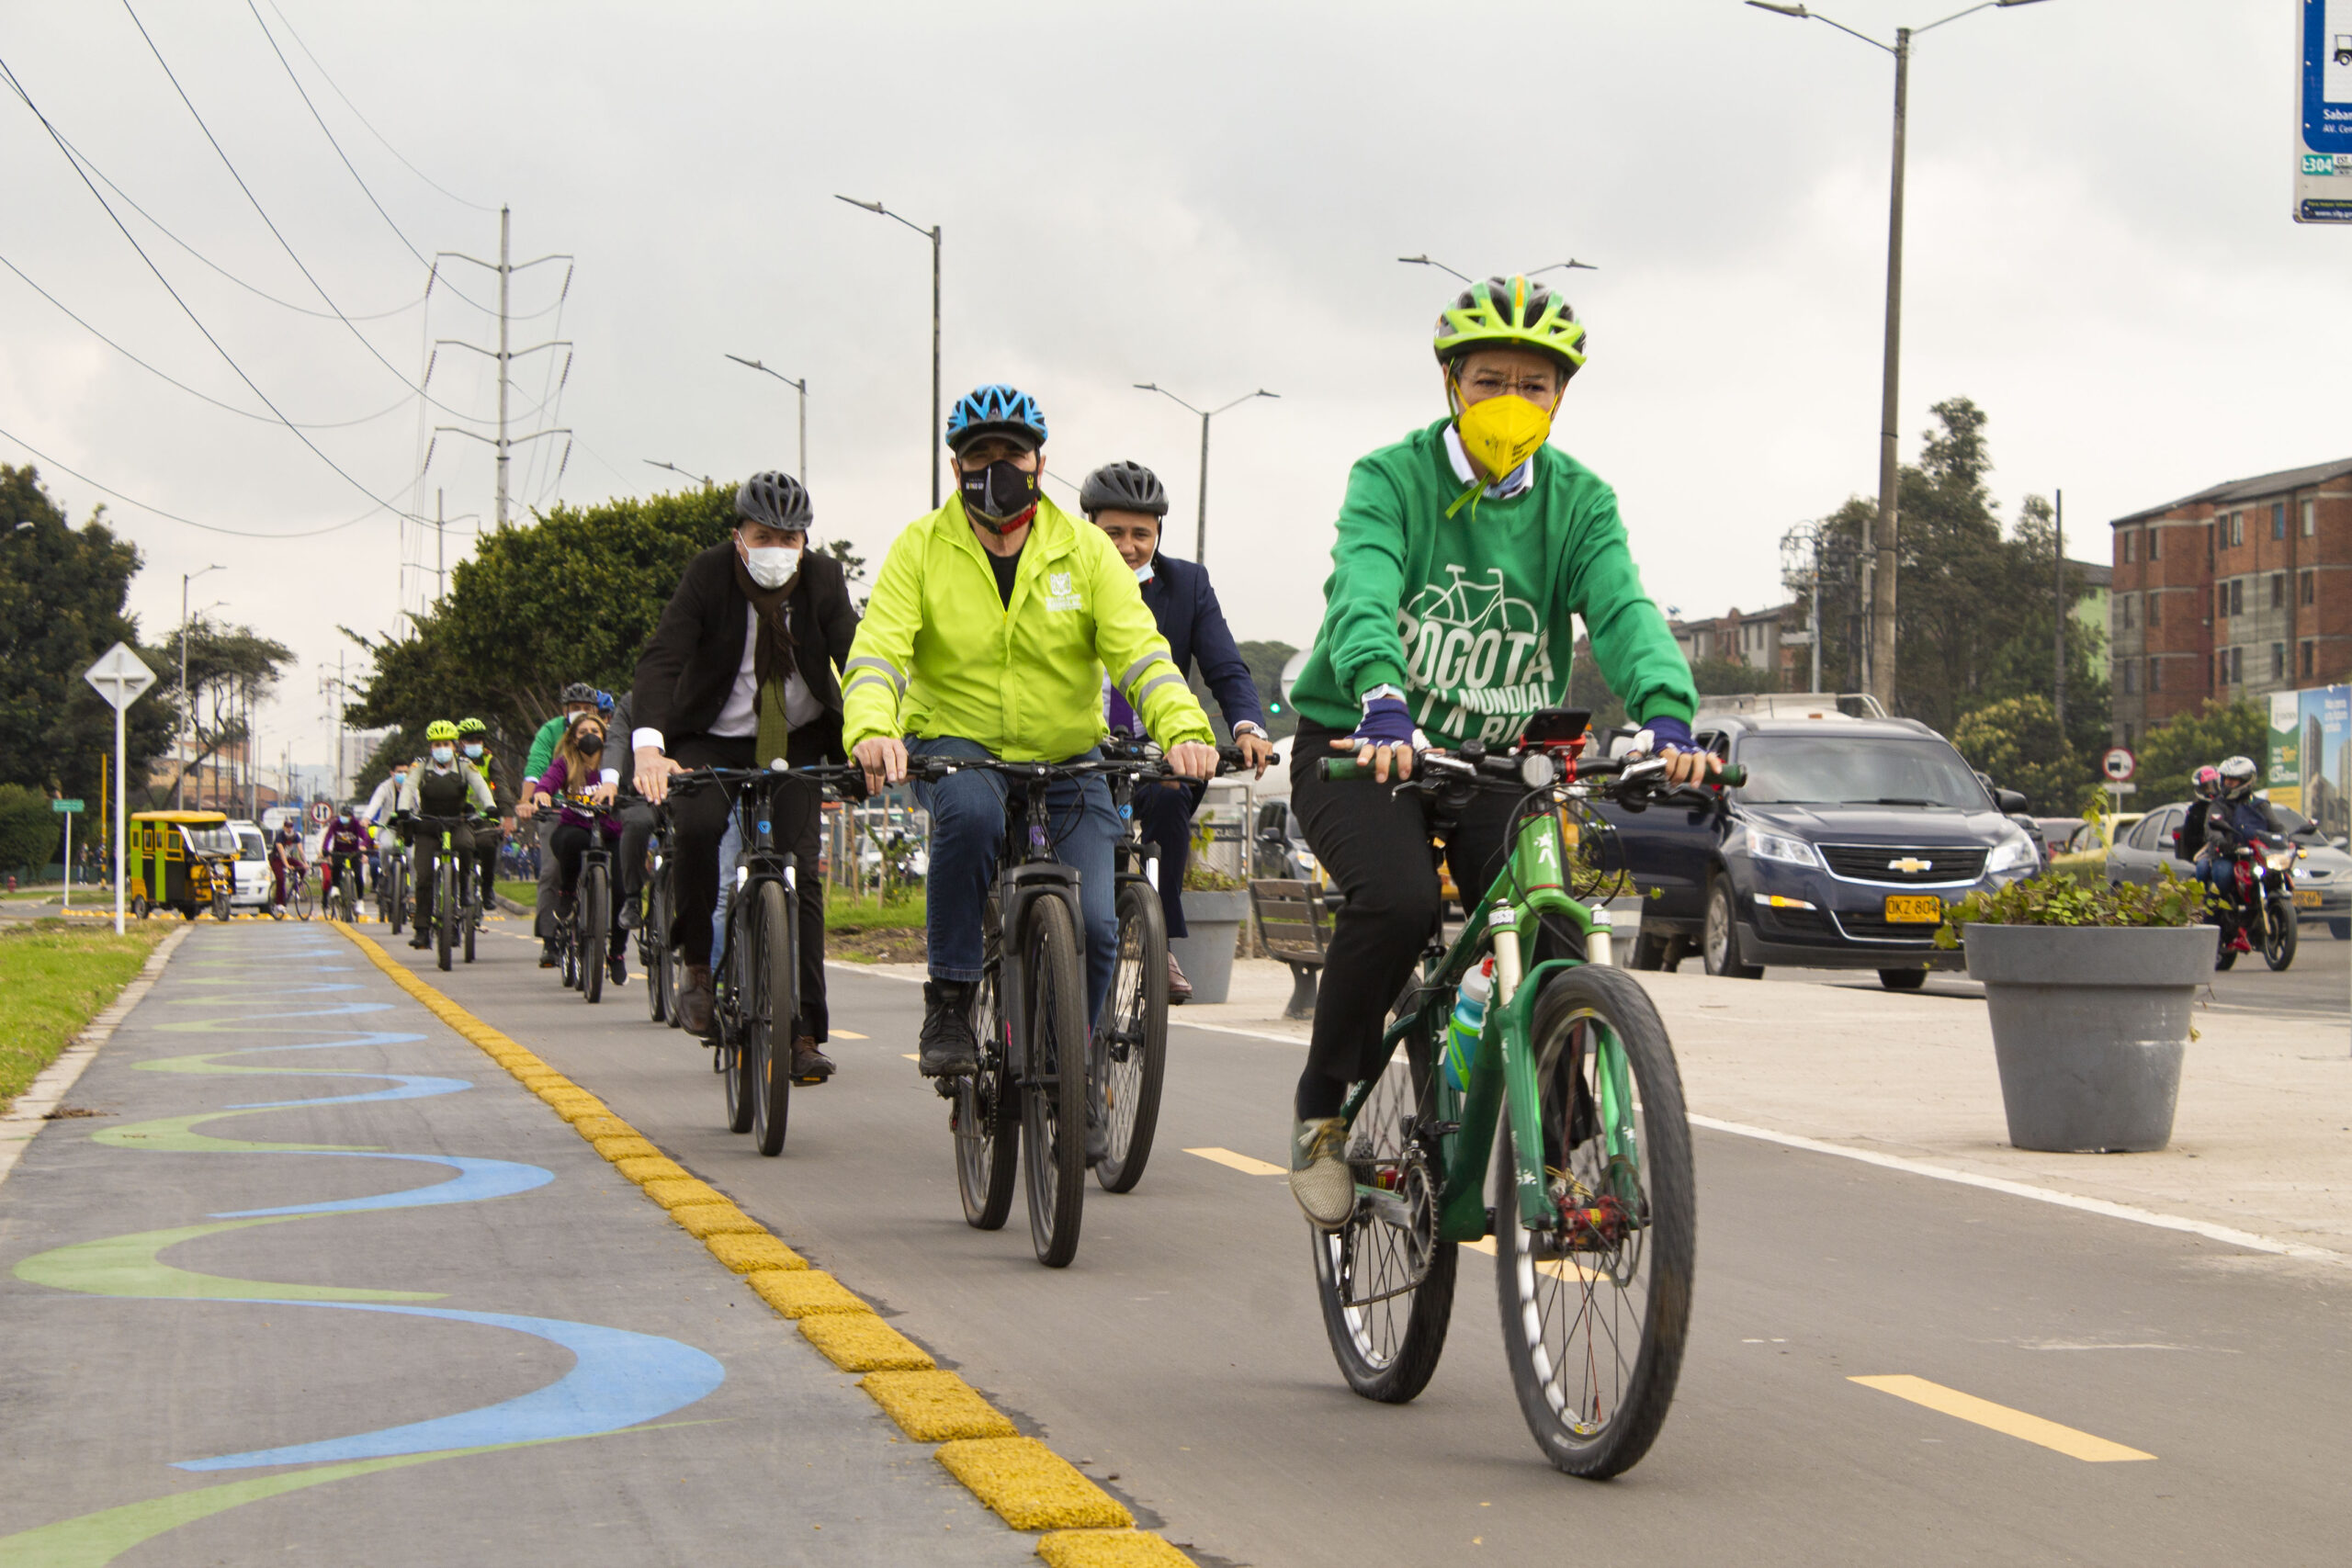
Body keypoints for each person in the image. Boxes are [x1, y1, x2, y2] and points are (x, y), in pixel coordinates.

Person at [1281, 275, 1717, 1227]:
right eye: (1489, 382)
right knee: (1395, 903)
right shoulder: (1389, 478)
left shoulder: (1578, 503)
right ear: (1450, 384)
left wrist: (1668, 718)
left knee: (1554, 927)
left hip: (1497, 759)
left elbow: (1623, 608)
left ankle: (1565, 1160)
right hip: (1364, 742)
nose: (1509, 404)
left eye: (1534, 384)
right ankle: (1322, 1109)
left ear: (1561, 396)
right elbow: (1361, 588)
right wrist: (1383, 698)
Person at [842, 385, 1220, 1084]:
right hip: (958, 745)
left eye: (1011, 452)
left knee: (1100, 924)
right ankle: (951, 998)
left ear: (1040, 462)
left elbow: (1140, 653)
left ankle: (1071, 1067)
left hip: (1066, 755)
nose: (998, 466)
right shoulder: (920, 547)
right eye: (979, 454)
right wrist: (872, 729)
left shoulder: (1084, 549)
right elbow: (878, 653)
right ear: (956, 468)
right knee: (974, 814)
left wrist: (1185, 728)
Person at [629, 471, 860, 1081]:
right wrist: (650, 747)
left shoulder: (825, 580)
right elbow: (662, 659)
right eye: (765, 535)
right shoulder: (707, 575)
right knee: (699, 827)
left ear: (805, 541)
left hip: (800, 739)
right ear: (739, 537)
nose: (777, 550)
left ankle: (805, 1030)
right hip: (712, 737)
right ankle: (699, 967)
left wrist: (871, 737)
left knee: (800, 869)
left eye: (790, 538)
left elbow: (857, 660)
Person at [1080, 458, 1276, 1000]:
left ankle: (1159, 941)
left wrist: (1248, 726)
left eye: (1141, 534)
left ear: (1158, 533)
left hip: (1160, 749)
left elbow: (1225, 667)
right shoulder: (1062, 581)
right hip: (1076, 747)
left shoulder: (1188, 584)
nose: (1127, 546)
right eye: (1113, 532)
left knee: (1168, 799)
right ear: (1087, 527)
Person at [528, 711, 628, 987]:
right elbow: (547, 781)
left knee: (622, 890)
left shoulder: (615, 765)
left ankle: (617, 954)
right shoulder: (566, 763)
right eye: (582, 732)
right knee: (570, 841)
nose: (589, 737)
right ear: (573, 738)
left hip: (611, 833)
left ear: (605, 735)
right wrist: (542, 792)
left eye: (595, 731)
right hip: (576, 828)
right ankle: (568, 891)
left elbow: (631, 786)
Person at [521, 683, 605, 965]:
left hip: (598, 812)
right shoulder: (550, 731)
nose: (581, 713)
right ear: (564, 711)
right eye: (574, 708)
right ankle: (550, 938)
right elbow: (536, 768)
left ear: (596, 711)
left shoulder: (605, 733)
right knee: (552, 870)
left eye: (587, 708)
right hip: (560, 809)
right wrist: (530, 799)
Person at [397, 719, 496, 950]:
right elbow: (409, 787)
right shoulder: (420, 767)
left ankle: (464, 892)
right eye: (437, 744)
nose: (442, 749)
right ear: (431, 747)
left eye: (446, 744)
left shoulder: (465, 766)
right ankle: (422, 930)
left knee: (465, 846)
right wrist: (403, 809)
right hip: (428, 824)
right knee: (423, 877)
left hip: (457, 821)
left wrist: (489, 806)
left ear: (454, 745)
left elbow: (481, 786)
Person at [592, 691, 659, 934]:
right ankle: (633, 897)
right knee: (637, 822)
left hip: (684, 789)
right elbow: (617, 741)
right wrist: (610, 780)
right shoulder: (633, 702)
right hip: (639, 793)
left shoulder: (697, 692)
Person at [456, 717, 514, 913]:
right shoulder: (453, 762)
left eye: (479, 740)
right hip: (458, 819)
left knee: (489, 846)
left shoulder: (490, 761)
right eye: (470, 740)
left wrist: (507, 816)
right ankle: (456, 892)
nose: (475, 744)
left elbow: (503, 789)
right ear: (460, 743)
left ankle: (487, 888)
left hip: (485, 818)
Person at [317, 805, 369, 912]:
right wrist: (325, 849)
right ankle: (336, 887)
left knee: (358, 876)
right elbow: (328, 837)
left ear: (351, 817)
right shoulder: (335, 824)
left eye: (347, 816)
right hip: (339, 851)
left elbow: (365, 836)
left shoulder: (356, 824)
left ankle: (360, 901)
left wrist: (364, 845)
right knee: (336, 867)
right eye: (343, 815)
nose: (344, 818)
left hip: (353, 852)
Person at [266, 814, 307, 916]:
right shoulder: (280, 836)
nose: (289, 828)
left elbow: (301, 850)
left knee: (302, 868)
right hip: (276, 859)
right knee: (281, 879)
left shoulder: (295, 836)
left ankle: (296, 887)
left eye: (291, 826)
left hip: (288, 858)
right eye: (287, 826)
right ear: (284, 827)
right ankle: (279, 903)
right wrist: (287, 865)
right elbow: (281, 852)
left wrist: (305, 863)